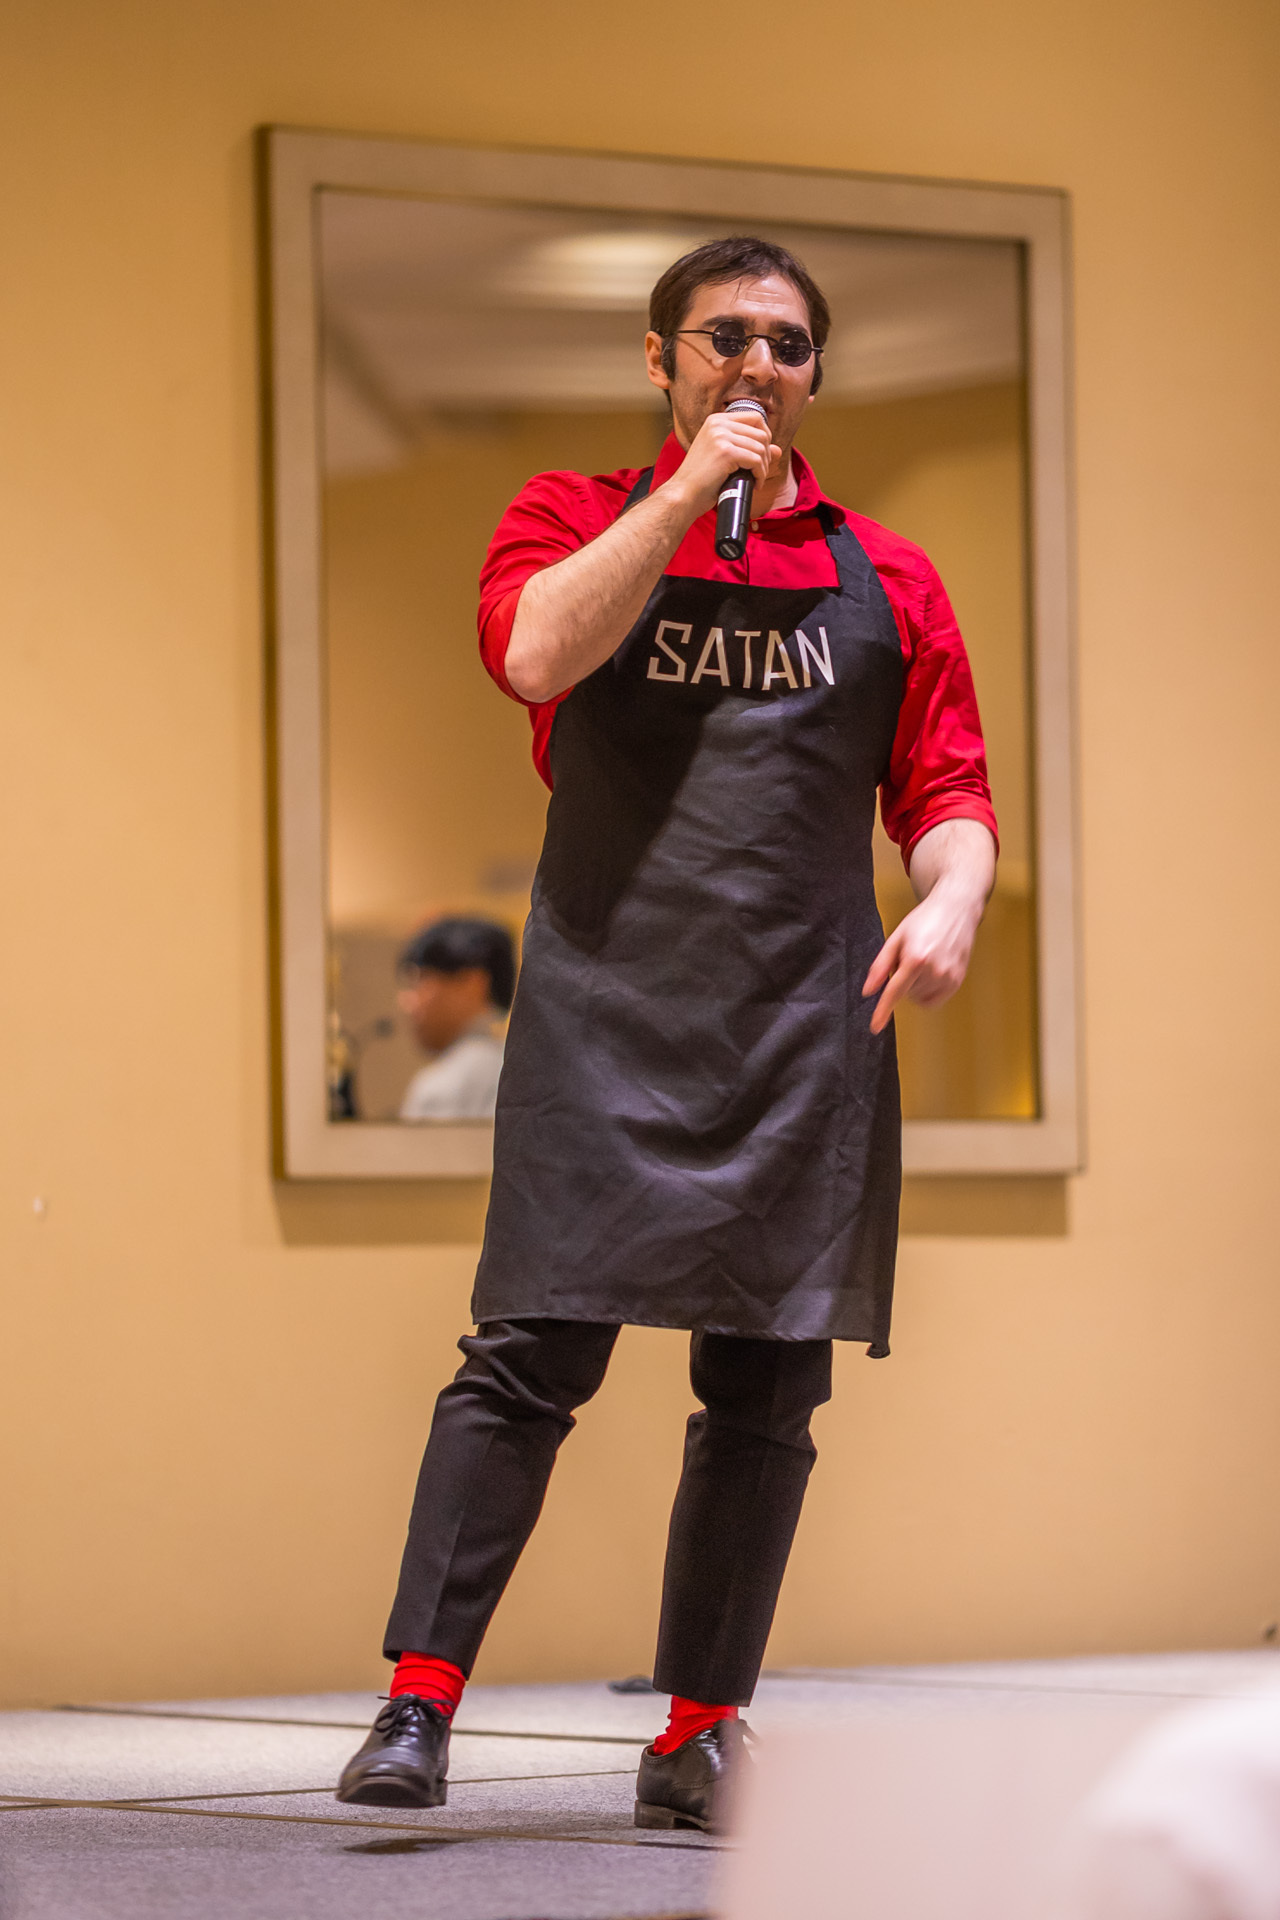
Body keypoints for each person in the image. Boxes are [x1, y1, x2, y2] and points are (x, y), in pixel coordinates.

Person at [337, 236, 999, 1830]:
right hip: (607, 1009)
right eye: (724, 337)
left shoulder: (894, 578)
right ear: (661, 360)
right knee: (527, 1357)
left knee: (766, 1389)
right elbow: (534, 653)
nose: (758, 362)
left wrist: (959, 897)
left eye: (787, 342)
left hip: (800, 1028)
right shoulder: (569, 516)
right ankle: (418, 1704)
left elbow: (946, 791)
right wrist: (692, 490)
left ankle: (699, 1733)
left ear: (817, 372)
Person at [397, 916, 514, 1121]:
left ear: (472, 983)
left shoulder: (442, 1084)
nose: (406, 1001)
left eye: (420, 979)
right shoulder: (519, 1067)